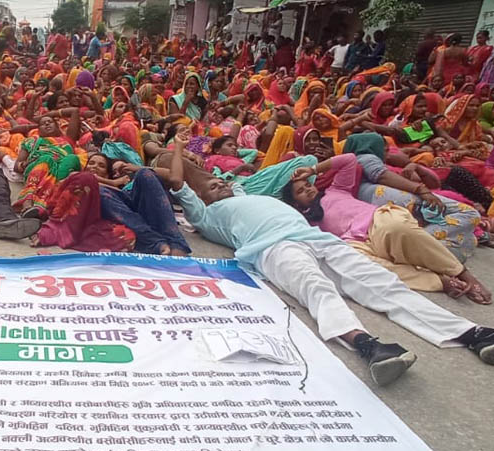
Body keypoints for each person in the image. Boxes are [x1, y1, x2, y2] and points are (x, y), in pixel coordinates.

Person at [167, 135, 494, 386]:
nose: (221, 185)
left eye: (222, 181)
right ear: (201, 199)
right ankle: (368, 346)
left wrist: (309, 167)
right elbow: (179, 182)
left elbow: (279, 165)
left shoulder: (247, 191)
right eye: (213, 185)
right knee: (316, 288)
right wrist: (179, 148)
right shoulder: (206, 215)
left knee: (382, 284)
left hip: (319, 239)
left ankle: (471, 334)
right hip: (272, 249)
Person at [282, 152, 490, 302]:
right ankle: (440, 282)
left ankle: (462, 274)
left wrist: (313, 169)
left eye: (308, 184)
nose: (308, 190)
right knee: (364, 267)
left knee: (398, 228)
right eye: (301, 191)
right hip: (355, 243)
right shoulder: (307, 221)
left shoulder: (335, 191)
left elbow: (350, 160)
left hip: (376, 222)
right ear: (296, 204)